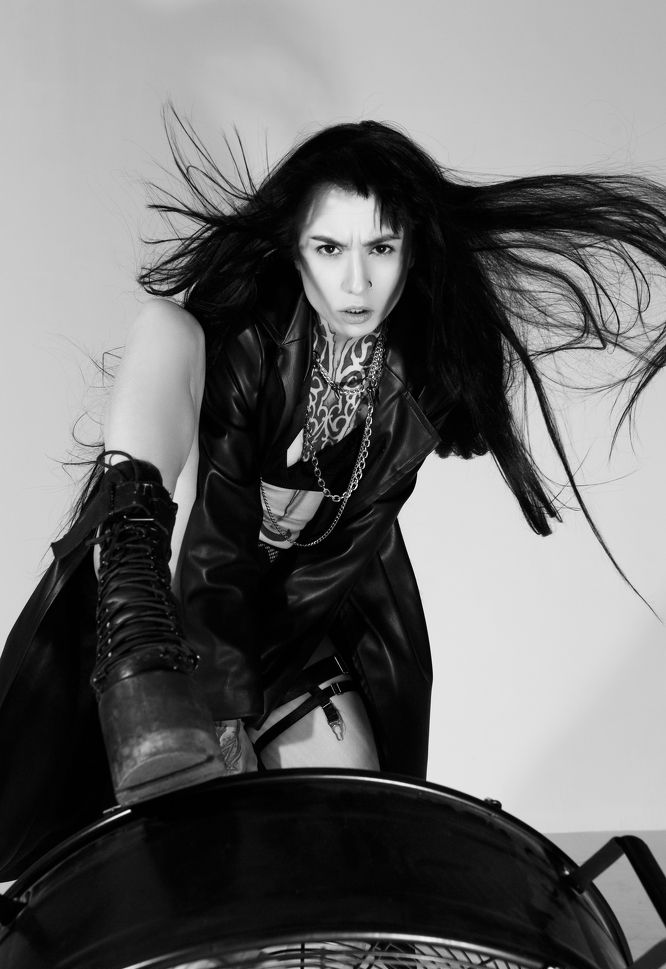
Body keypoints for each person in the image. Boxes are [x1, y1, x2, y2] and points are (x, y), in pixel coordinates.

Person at [2, 117, 666, 879]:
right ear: (294, 249)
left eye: (380, 249)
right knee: (165, 324)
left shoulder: (418, 379)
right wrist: (219, 710)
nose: (356, 283)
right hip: (170, 593)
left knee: (355, 843)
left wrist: (254, 705)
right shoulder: (248, 341)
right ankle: (137, 637)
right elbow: (216, 535)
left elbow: (335, 563)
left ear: (412, 251)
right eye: (329, 248)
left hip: (290, 618)